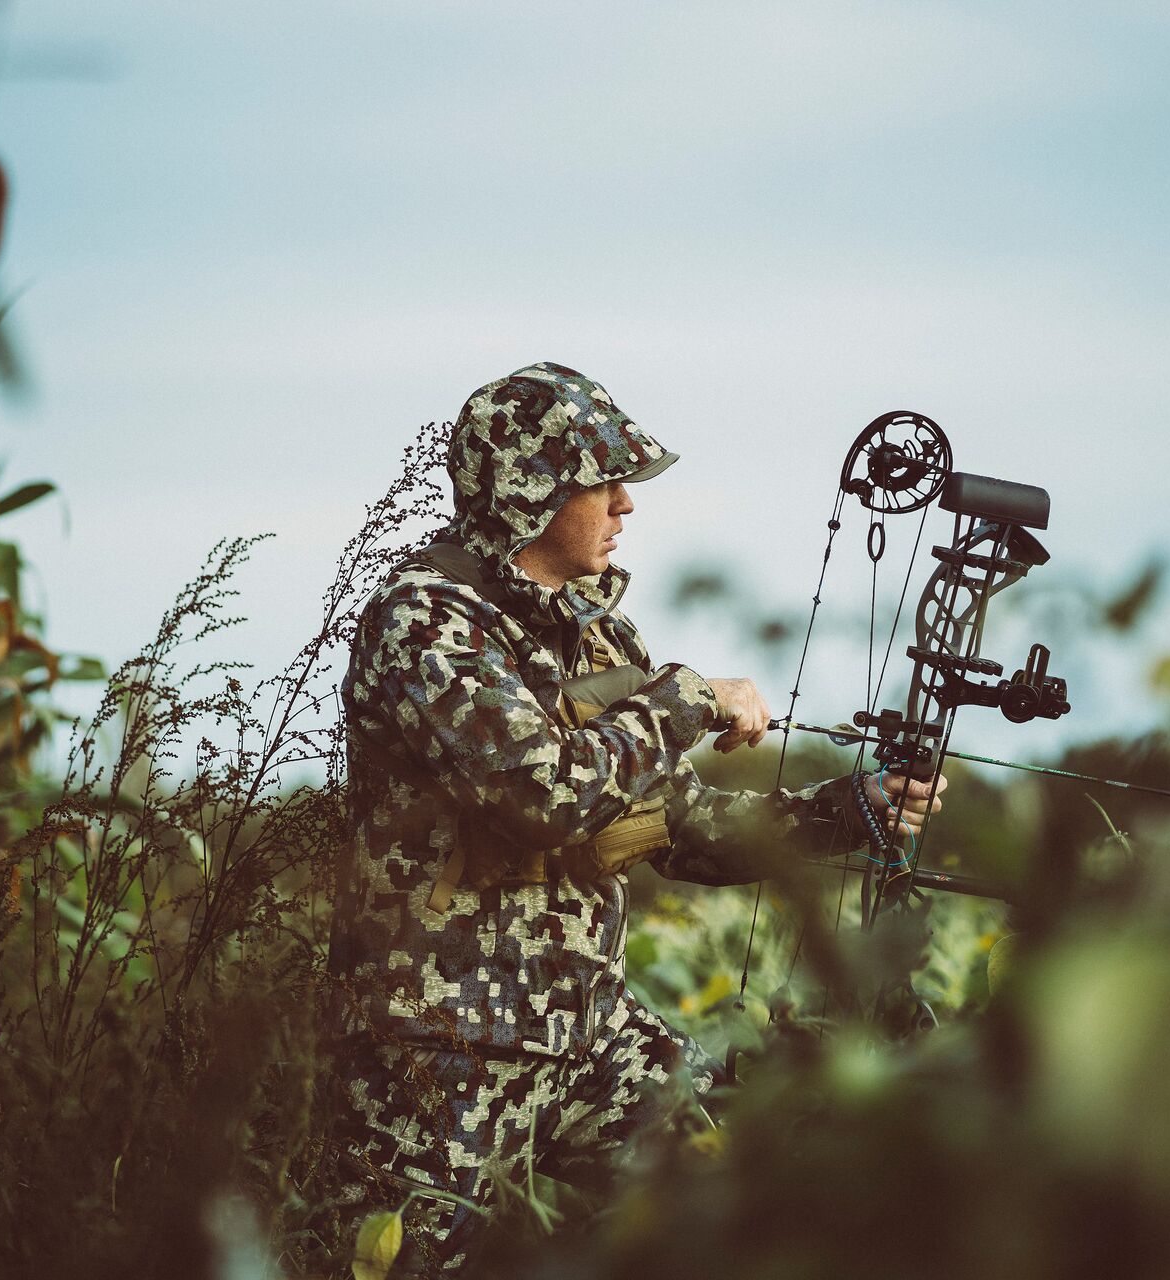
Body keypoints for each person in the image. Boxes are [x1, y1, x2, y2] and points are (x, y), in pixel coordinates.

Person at [325, 361, 942, 1274]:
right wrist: (686, 701)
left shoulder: (601, 635)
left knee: (719, 1225)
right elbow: (539, 794)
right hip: (441, 1048)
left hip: (590, 1034)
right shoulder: (423, 622)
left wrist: (849, 812)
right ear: (529, 490)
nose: (625, 505)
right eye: (599, 481)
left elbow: (678, 826)